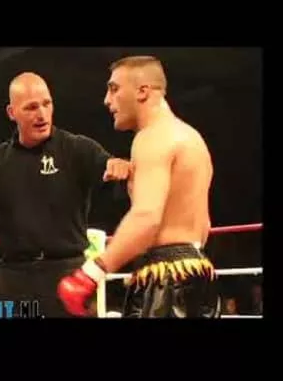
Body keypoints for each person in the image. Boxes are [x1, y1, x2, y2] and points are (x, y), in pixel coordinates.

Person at [0, 72, 131, 318]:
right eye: (31, 107)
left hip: (66, 271)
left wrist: (120, 169)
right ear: (12, 113)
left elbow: (115, 186)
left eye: (46, 104)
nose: (42, 114)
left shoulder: (77, 148)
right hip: (14, 277)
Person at [58, 55, 221, 318]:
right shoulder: (191, 137)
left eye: (114, 89)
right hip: (197, 270)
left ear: (143, 91)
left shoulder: (152, 138)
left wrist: (91, 272)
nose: (107, 100)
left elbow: (147, 217)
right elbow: (203, 225)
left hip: (167, 280)